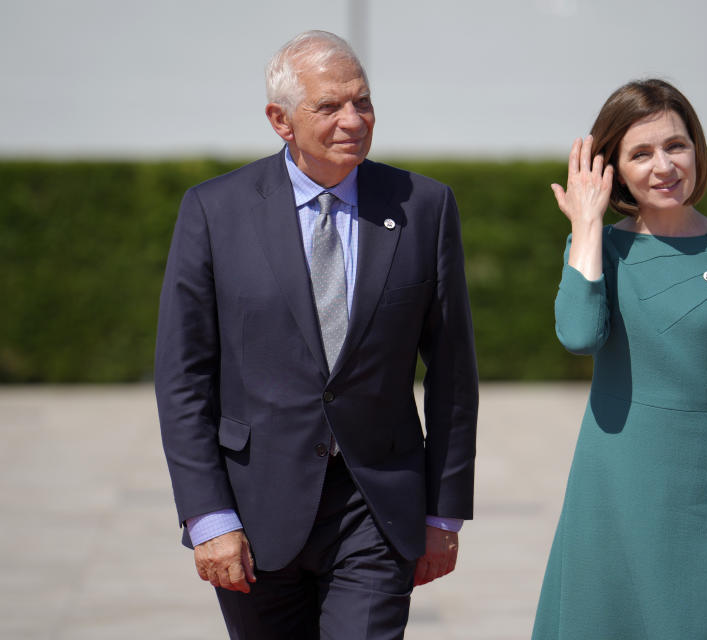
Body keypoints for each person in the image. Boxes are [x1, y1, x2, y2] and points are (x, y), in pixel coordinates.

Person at [154, 30, 478, 640]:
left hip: (377, 507)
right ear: (281, 120)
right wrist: (209, 517)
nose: (353, 119)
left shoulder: (425, 206)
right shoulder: (214, 211)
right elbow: (182, 379)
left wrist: (444, 510)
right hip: (253, 510)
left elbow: (454, 374)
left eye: (363, 101)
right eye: (329, 106)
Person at [532, 79, 707, 639]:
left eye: (675, 145)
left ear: (697, 148)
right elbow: (578, 335)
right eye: (640, 153)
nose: (664, 166)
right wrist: (586, 226)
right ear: (614, 170)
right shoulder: (597, 249)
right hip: (612, 492)